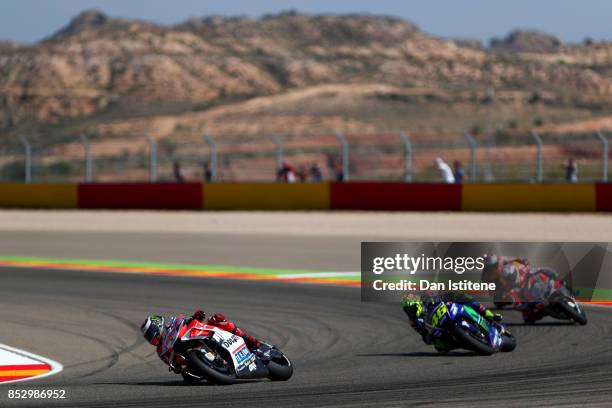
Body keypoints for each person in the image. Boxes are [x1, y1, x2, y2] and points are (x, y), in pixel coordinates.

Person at [141, 310, 261, 372]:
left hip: (196, 337)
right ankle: (214, 366)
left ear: (159, 326)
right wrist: (176, 366)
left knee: (216, 319)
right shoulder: (160, 351)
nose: (152, 339)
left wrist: (195, 317)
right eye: (149, 338)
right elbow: (172, 365)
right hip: (190, 360)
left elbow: (188, 321)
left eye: (152, 335)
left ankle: (250, 341)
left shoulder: (173, 322)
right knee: (188, 377)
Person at [401, 292, 500, 353]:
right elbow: (425, 338)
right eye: (407, 310)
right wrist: (430, 337)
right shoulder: (414, 322)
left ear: (416, 304)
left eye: (410, 309)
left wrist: (449, 296)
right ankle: (469, 344)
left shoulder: (427, 298)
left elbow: (441, 295)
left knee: (465, 298)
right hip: (442, 330)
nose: (409, 312)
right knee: (440, 348)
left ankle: (487, 313)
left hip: (448, 312)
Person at [481, 254, 560, 323]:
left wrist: (523, 260)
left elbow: (514, 259)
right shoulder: (486, 276)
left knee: (542, 270)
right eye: (492, 267)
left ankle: (558, 281)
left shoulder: (501, 260)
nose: (494, 267)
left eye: (495, 265)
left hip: (517, 280)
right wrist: (500, 292)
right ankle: (536, 310)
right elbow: (490, 291)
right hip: (504, 289)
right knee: (524, 313)